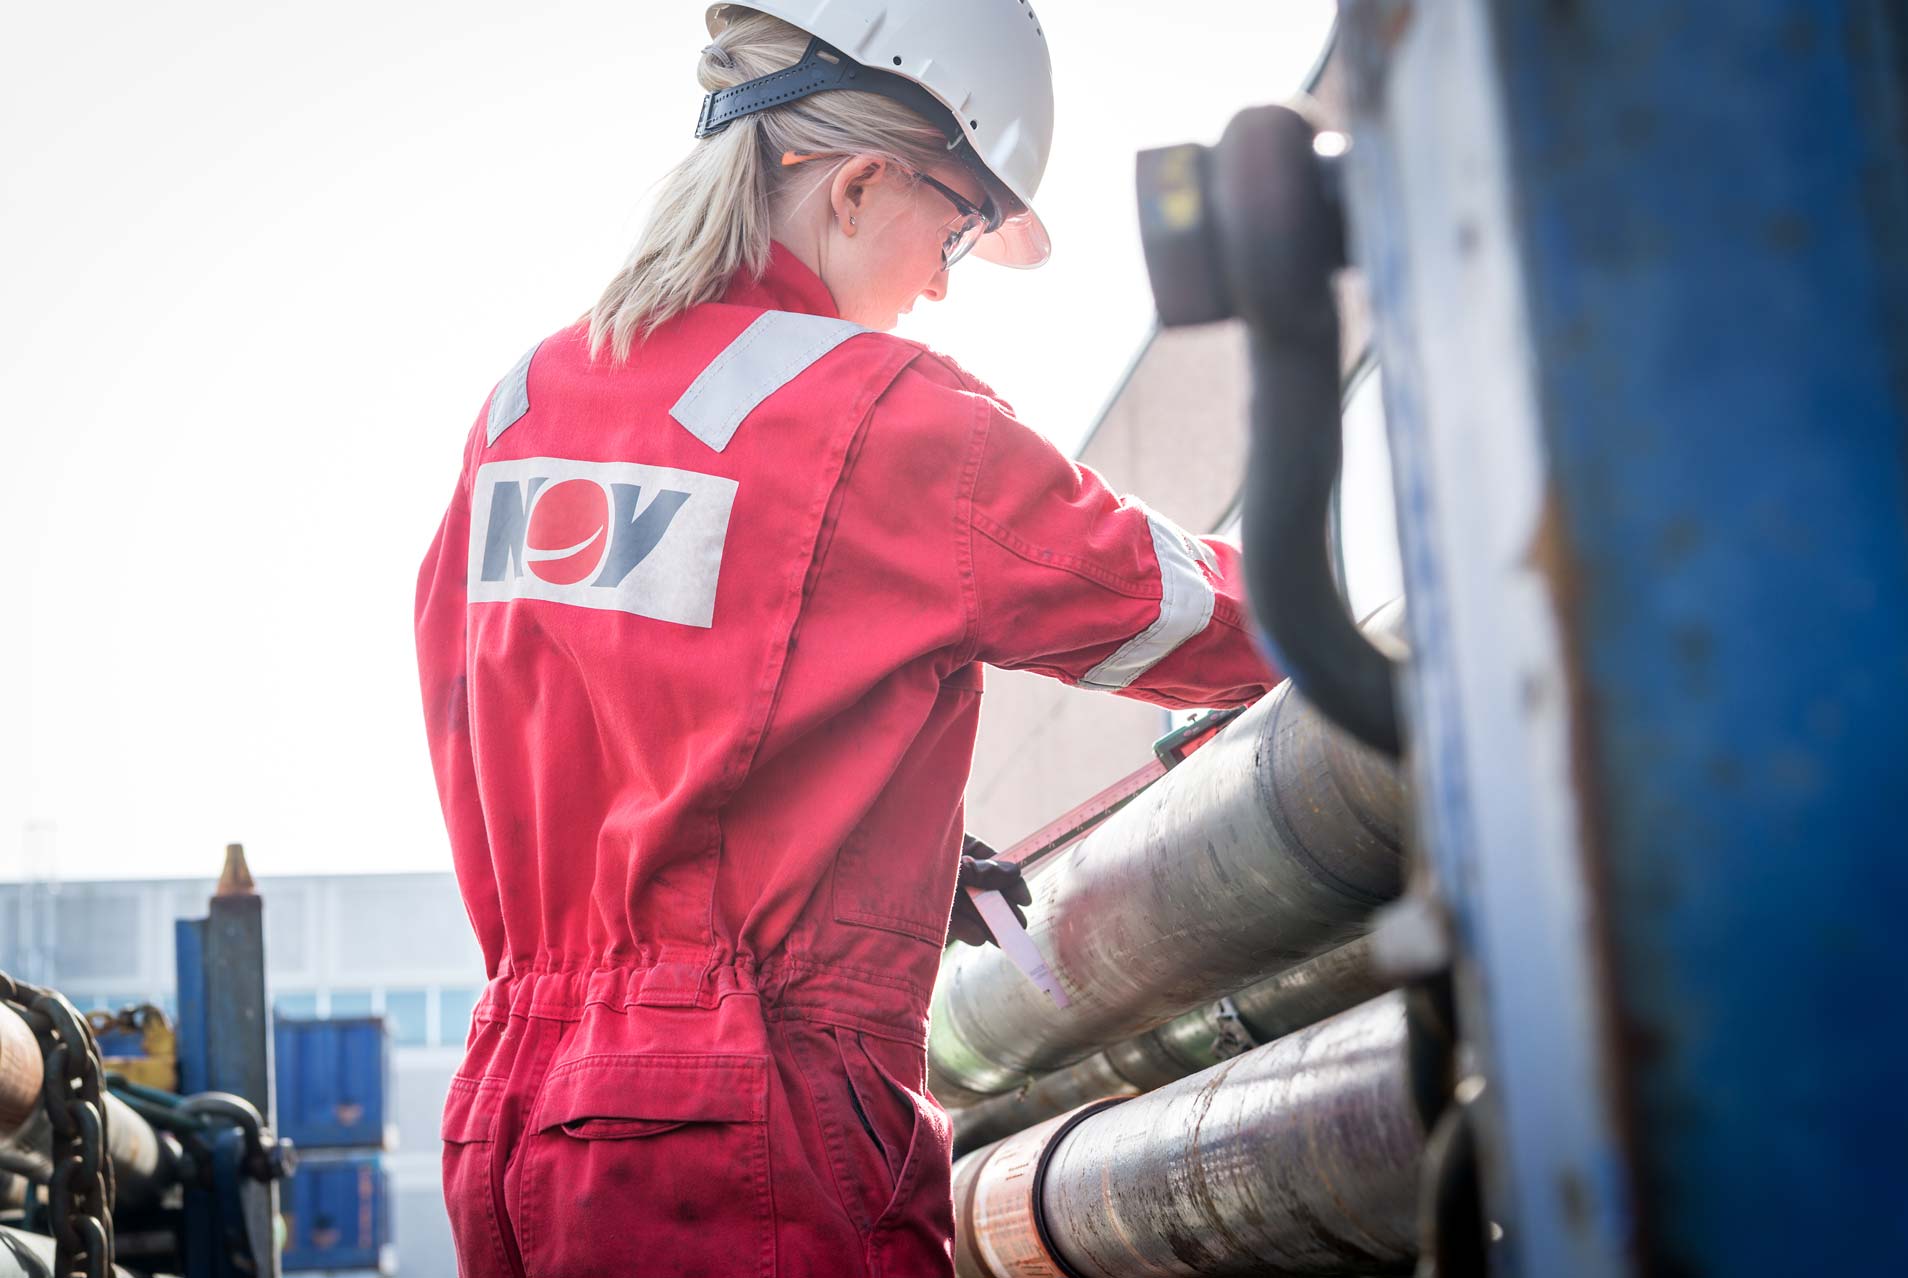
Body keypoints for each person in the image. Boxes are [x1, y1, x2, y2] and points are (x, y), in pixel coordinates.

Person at [413, 4, 1277, 1274]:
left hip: (517, 1114)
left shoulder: (524, 408)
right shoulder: (880, 415)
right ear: (864, 183)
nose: (940, 279)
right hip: (750, 1130)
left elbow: (551, 726)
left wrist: (872, 841)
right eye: (961, 226)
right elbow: (1214, 616)